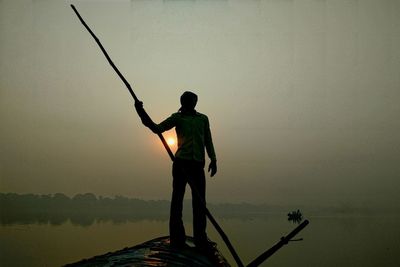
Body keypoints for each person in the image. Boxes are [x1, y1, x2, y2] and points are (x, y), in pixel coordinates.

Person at [134, 91, 217, 249]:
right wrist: (141, 112)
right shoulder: (177, 117)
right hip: (181, 164)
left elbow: (208, 139)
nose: (191, 103)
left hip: (198, 164)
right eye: (188, 101)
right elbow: (157, 128)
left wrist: (213, 158)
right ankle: (177, 239)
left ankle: (201, 239)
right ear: (183, 102)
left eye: (193, 100)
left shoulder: (203, 119)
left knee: (200, 203)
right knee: (177, 201)